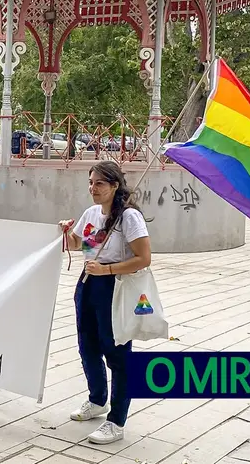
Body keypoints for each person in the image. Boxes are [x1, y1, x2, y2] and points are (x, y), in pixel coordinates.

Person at [57, 161, 151, 445]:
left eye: (99, 183)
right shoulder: (91, 213)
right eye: (90, 182)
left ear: (114, 186)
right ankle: (97, 400)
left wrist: (107, 270)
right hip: (88, 285)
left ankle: (116, 421)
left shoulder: (129, 218)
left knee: (117, 354)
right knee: (87, 347)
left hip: (115, 288)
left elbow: (144, 258)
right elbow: (78, 244)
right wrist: (66, 231)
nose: (93, 188)